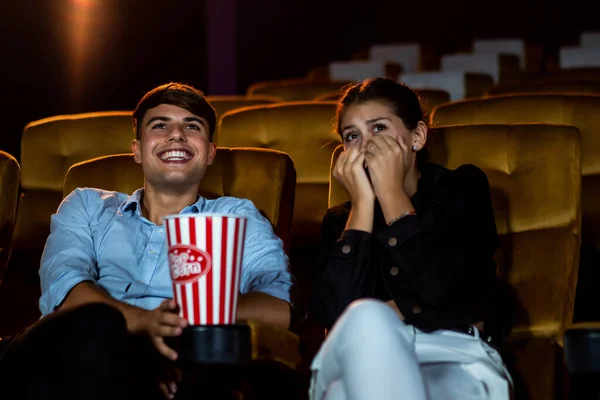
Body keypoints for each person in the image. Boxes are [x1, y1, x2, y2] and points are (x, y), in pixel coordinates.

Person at [0, 82, 293, 400]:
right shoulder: (86, 204)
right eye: (160, 125)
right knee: (97, 325)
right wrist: (144, 327)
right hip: (61, 353)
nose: (176, 135)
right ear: (137, 149)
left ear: (210, 153)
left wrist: (174, 327)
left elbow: (279, 306)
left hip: (174, 364)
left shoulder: (237, 216)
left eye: (191, 126)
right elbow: (66, 288)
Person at [309, 77, 513, 400]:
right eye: (352, 136)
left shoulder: (461, 189)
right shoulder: (341, 222)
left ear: (417, 136)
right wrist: (363, 203)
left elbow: (439, 284)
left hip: (454, 355)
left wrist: (390, 193)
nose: (366, 146)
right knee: (362, 328)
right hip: (364, 361)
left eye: (379, 129)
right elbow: (337, 321)